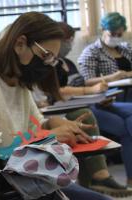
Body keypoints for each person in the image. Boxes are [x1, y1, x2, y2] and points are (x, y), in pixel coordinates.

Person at [0, 12, 111, 200]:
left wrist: (52, 123)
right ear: (20, 44)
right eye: (45, 55)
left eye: (51, 59)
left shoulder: (18, 82)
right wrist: (47, 139)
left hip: (23, 178)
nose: (47, 65)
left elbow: (34, 124)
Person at [54, 22, 132, 189]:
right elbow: (58, 91)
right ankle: (110, 177)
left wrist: (99, 94)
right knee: (125, 127)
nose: (69, 44)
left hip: (99, 99)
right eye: (67, 40)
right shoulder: (86, 54)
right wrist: (93, 89)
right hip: (83, 105)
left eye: (71, 40)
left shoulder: (67, 62)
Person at [78, 12, 132, 99]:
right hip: (109, 96)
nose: (116, 37)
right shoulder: (91, 52)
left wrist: (126, 74)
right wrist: (112, 77)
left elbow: (126, 74)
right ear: (103, 30)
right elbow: (87, 82)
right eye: (112, 34)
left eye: (119, 35)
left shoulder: (126, 48)